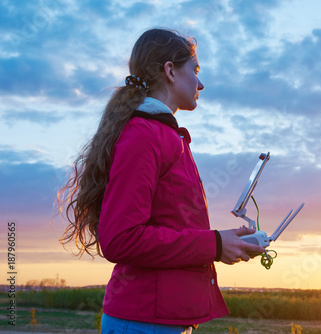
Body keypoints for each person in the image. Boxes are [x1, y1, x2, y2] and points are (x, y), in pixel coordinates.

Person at [57, 28, 265, 334]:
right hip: (144, 321)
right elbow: (121, 238)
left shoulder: (164, 134)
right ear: (170, 71)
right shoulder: (144, 135)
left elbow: (171, 228)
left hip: (162, 320)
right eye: (194, 70)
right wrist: (214, 244)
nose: (201, 83)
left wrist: (225, 243)